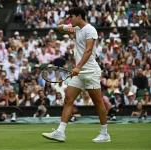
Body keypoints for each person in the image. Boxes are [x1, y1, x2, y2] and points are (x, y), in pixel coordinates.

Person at [42, 7, 110, 143]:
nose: (70, 19)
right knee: (68, 99)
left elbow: (89, 50)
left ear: (79, 16)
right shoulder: (76, 28)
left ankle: (105, 134)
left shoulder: (90, 30)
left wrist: (78, 67)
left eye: (71, 16)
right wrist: (67, 27)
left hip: (90, 72)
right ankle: (60, 132)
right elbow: (58, 28)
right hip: (79, 73)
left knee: (98, 102)